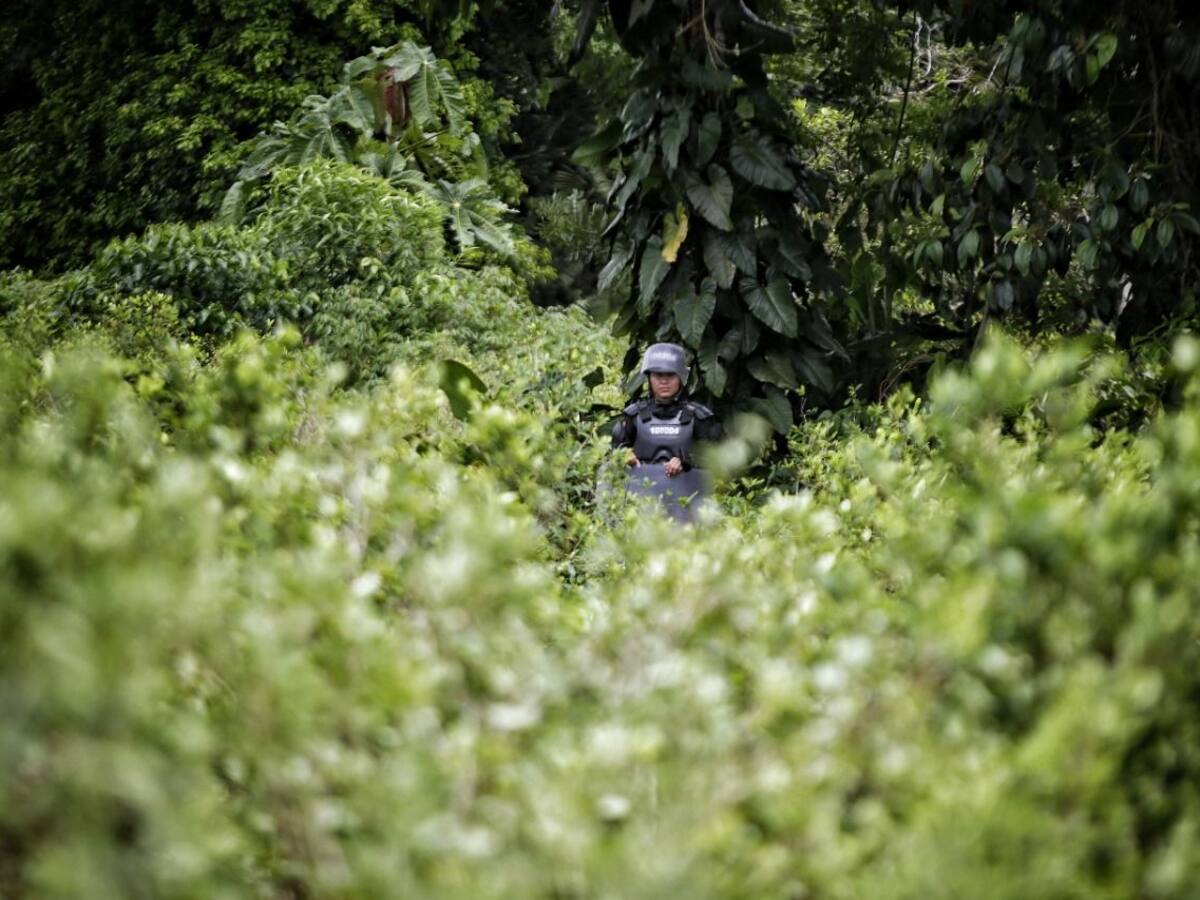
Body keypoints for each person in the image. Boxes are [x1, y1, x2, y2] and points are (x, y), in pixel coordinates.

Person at [611, 343, 723, 521]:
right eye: (658, 375)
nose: (664, 381)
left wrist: (685, 461)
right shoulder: (633, 415)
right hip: (641, 506)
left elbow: (717, 460)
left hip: (687, 507)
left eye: (670, 375)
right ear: (649, 378)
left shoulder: (699, 417)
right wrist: (624, 455)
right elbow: (612, 457)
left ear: (681, 377)